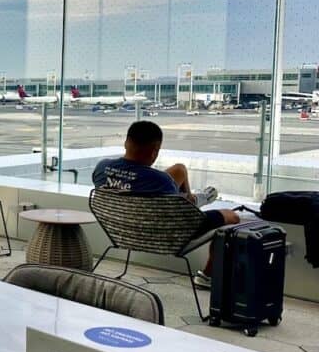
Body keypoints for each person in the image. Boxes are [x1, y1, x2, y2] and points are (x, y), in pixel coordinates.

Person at [93, 120, 239, 284]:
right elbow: (179, 213)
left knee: (179, 169)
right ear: (155, 151)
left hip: (122, 230)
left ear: (126, 142)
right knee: (232, 217)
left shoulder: (101, 168)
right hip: (163, 234)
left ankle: (197, 199)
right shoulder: (160, 180)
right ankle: (207, 275)